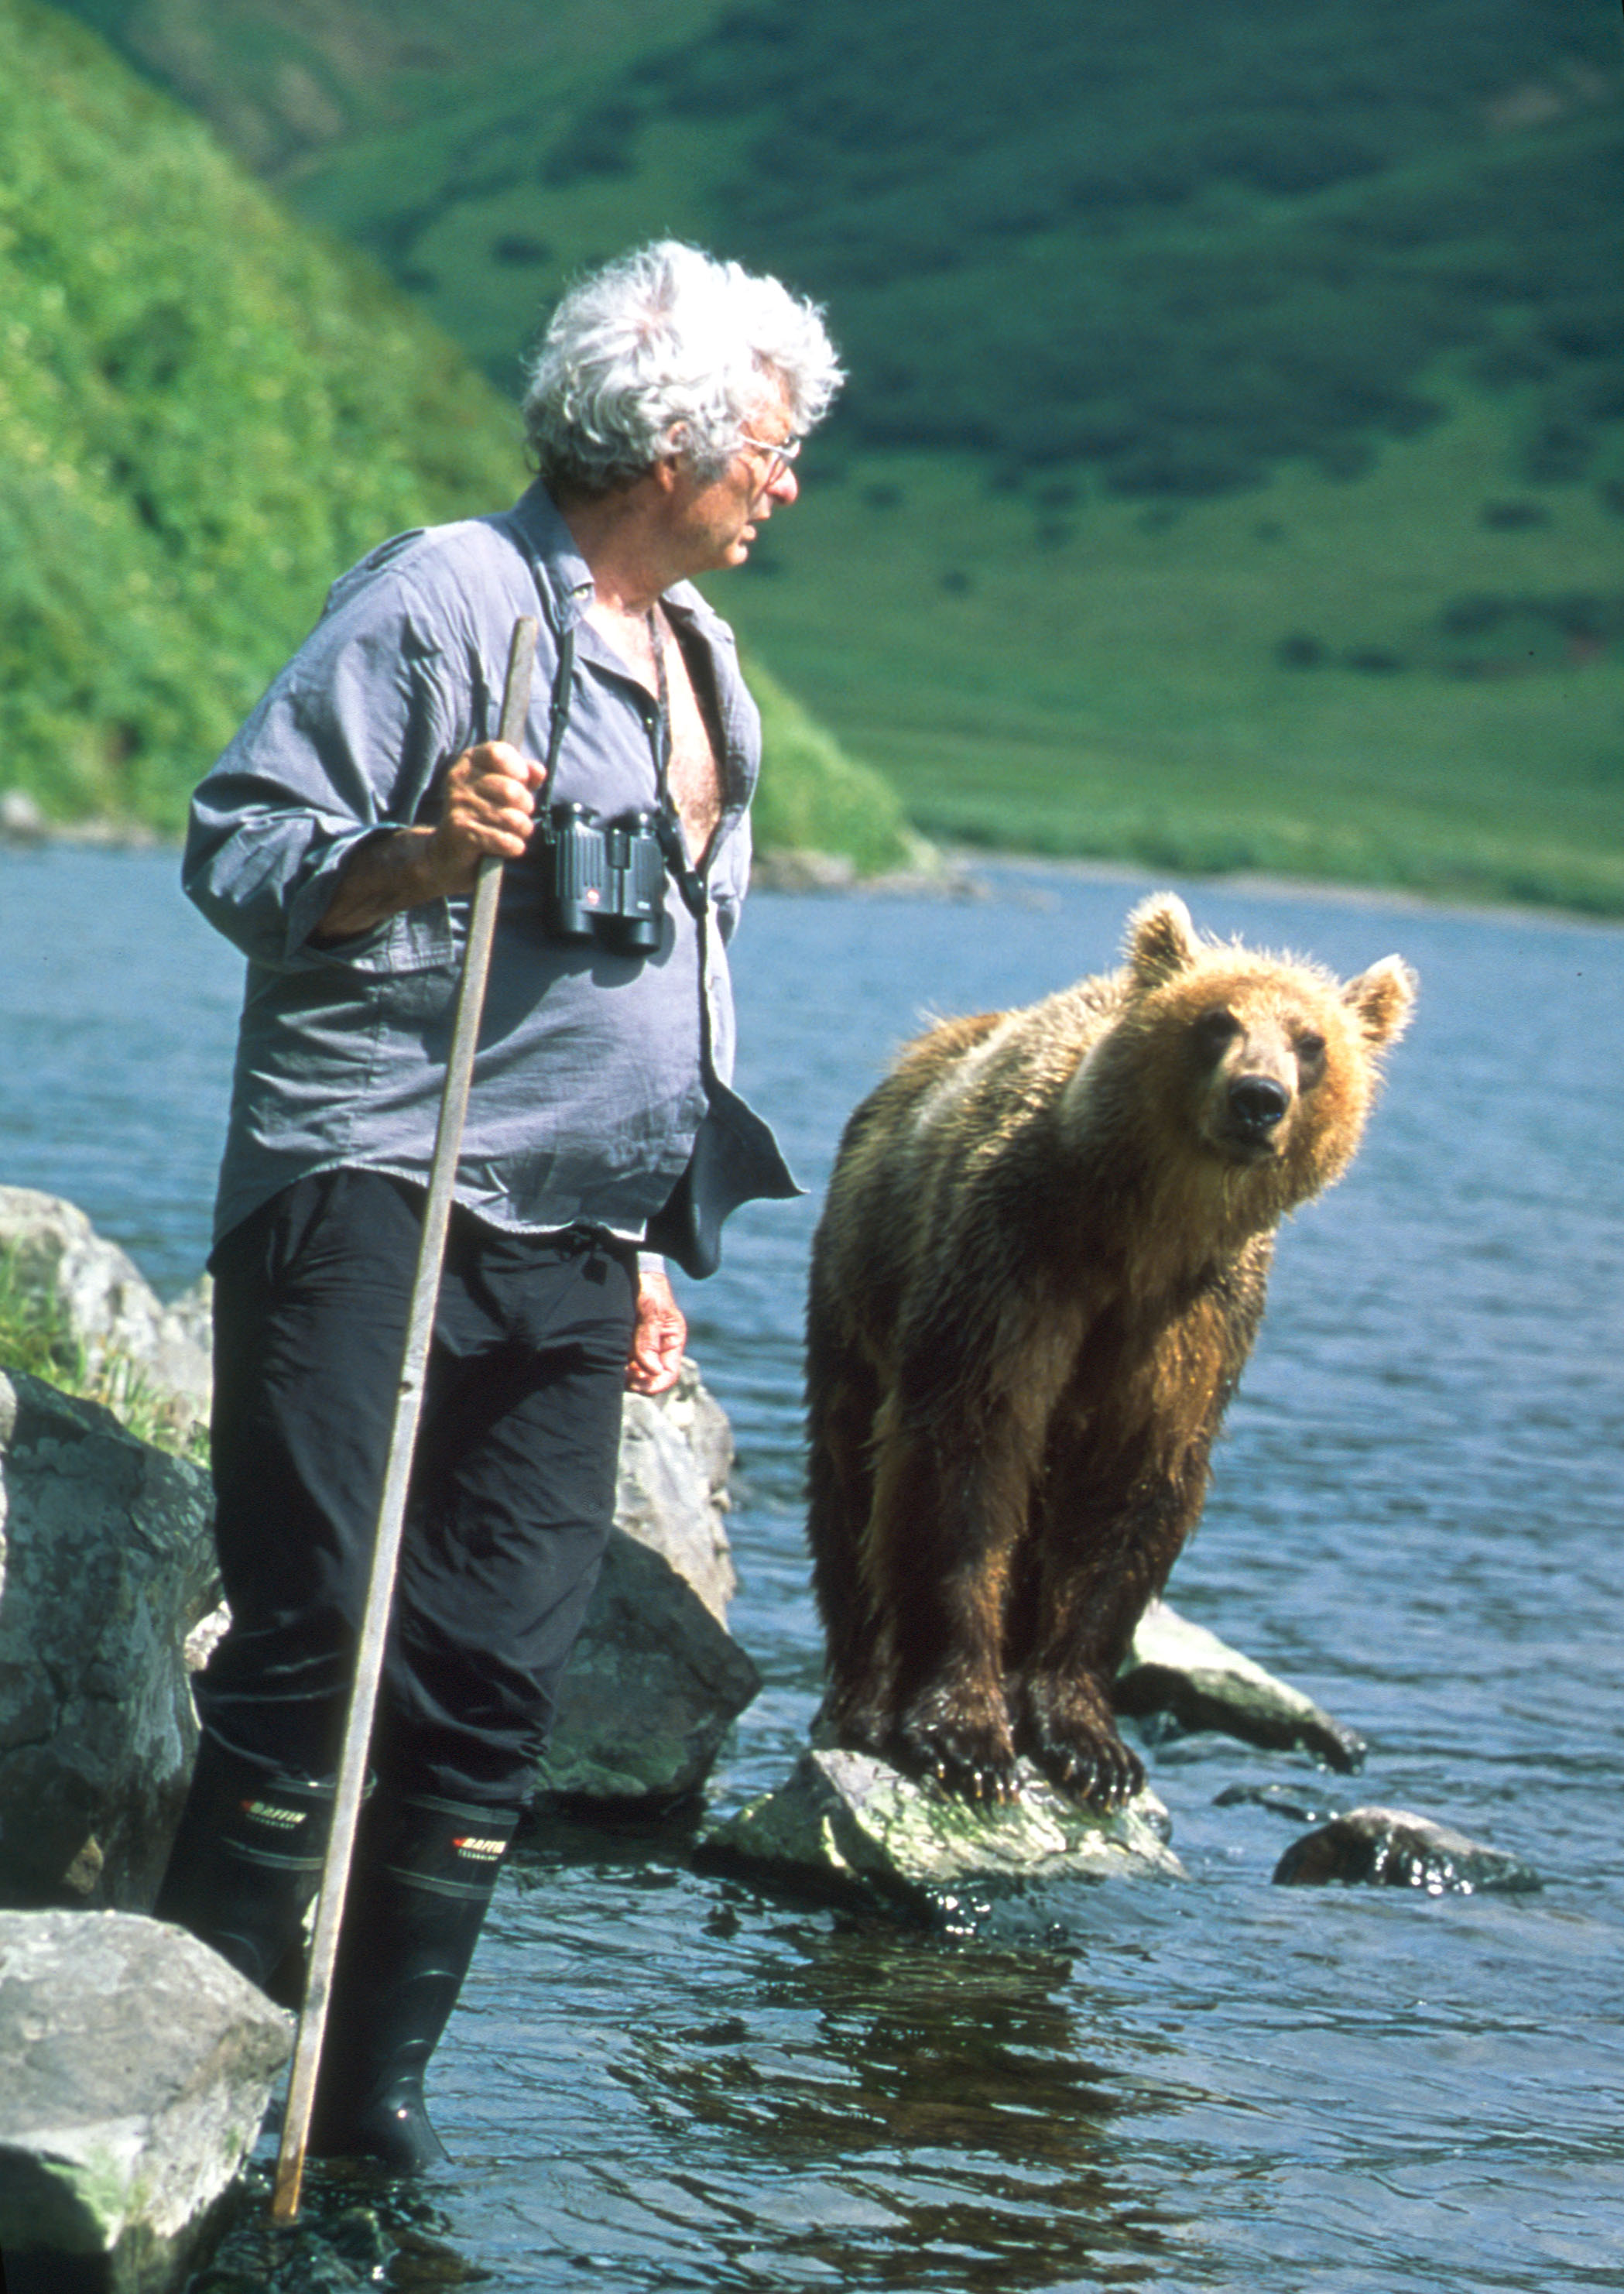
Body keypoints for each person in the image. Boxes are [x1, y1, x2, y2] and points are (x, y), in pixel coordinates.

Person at [154, 241, 842, 2169]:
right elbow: (239, 849)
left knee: (490, 1682)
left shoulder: (707, 669)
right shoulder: (452, 597)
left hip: (569, 1243)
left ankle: (365, 2128)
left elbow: (677, 983)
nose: (786, 478)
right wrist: (416, 847)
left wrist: (640, 1232)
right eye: (770, 443)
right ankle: (174, 2095)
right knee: (316, 1639)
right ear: (677, 440)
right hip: (375, 1178)